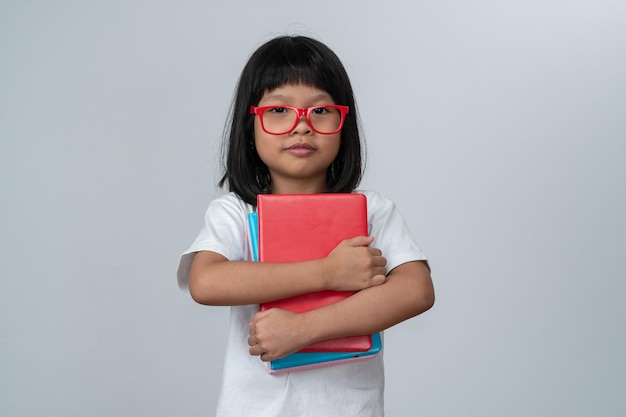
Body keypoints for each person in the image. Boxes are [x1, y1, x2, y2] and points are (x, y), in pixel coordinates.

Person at [177, 35, 435, 417]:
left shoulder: (372, 210)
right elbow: (206, 282)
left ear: (343, 123)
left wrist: (304, 329)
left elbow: (416, 290)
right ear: (251, 126)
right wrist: (328, 272)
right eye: (279, 110)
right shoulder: (235, 211)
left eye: (320, 111)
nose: (301, 126)